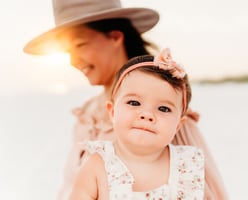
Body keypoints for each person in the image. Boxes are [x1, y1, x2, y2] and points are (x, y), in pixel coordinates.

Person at [23, 0, 228, 199]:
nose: (73, 60)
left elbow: (211, 193)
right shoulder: (86, 115)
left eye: (80, 45)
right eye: (67, 51)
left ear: (115, 37)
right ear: (112, 110)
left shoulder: (163, 116)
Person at [69, 48, 205, 200]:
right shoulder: (98, 165)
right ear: (112, 112)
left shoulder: (187, 165)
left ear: (178, 125)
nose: (147, 115)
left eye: (163, 108)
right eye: (134, 102)